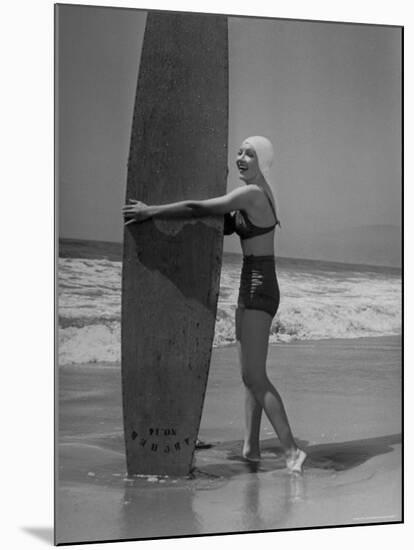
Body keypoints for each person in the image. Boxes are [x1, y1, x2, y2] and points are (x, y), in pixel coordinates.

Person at [122, 136, 306, 473]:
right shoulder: (252, 193)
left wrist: (151, 212)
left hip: (259, 286)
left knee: (255, 375)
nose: (241, 157)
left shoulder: (251, 194)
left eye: (250, 154)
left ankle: (292, 450)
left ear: (263, 160)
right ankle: (251, 449)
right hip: (251, 286)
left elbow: (200, 209)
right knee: (250, 376)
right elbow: (221, 225)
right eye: (239, 151)